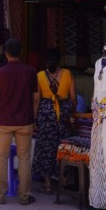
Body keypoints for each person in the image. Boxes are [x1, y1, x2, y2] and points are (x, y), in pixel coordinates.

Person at [0, 37, 38, 205]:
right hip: (24, 120)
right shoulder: (30, 71)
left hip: (3, 120)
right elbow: (35, 96)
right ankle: (24, 196)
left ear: (6, 53)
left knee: (1, 158)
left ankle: (0, 195)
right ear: (21, 52)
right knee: (24, 159)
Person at [33, 48, 76, 193]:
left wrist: (35, 118)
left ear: (46, 62)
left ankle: (47, 184)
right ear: (59, 61)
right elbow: (73, 98)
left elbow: (37, 100)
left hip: (46, 114)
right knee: (62, 146)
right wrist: (71, 114)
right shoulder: (68, 74)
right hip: (63, 115)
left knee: (46, 148)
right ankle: (62, 180)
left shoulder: (39, 75)